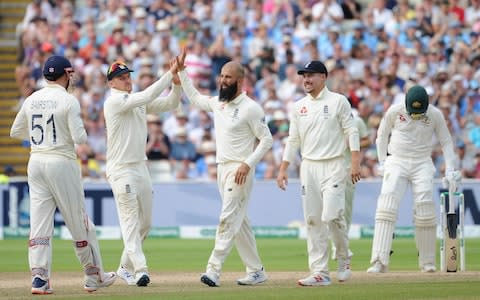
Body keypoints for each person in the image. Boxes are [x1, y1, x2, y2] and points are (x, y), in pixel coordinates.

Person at [10, 55, 116, 294]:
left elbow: (16, 131)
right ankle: (93, 275)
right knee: (79, 221)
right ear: (64, 74)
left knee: (39, 222)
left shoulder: (32, 99)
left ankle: (39, 278)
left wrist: (44, 137)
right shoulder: (69, 100)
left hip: (36, 161)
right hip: (61, 162)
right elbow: (80, 138)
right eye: (70, 73)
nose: (72, 77)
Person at [174, 48, 273, 287]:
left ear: (240, 80)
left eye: (228, 77)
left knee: (227, 218)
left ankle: (213, 269)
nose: (222, 80)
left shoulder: (251, 108)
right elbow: (196, 99)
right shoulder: (219, 103)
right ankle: (256, 270)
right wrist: (183, 72)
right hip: (222, 169)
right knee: (239, 223)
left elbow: (267, 140)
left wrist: (247, 164)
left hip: (240, 171)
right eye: (221, 76)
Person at [276, 60, 361, 286]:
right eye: (304, 75)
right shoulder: (298, 106)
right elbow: (293, 139)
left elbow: (351, 130)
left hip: (334, 165)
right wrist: (283, 168)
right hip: (309, 167)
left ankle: (343, 258)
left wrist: (355, 162)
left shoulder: (338, 101)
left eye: (311, 75)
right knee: (313, 220)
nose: (306, 79)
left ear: (324, 77)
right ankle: (320, 272)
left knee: (332, 216)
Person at [367, 85, 461, 273]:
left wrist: (451, 168)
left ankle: (427, 262)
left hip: (422, 162)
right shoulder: (395, 110)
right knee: (386, 206)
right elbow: (382, 135)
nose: (416, 115)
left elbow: (446, 140)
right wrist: (383, 161)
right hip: (397, 160)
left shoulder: (434, 114)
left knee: (425, 209)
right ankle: (379, 260)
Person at [104, 60, 181, 286]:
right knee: (130, 221)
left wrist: (176, 84)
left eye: (128, 76)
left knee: (145, 223)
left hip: (140, 166)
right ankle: (140, 270)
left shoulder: (135, 101)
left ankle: (124, 268)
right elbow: (147, 95)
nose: (127, 80)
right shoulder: (114, 102)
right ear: (111, 82)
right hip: (121, 169)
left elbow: (170, 103)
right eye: (121, 77)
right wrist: (170, 73)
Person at [331, 113, 371, 260]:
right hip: (330, 168)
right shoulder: (328, 119)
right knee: (330, 209)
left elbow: (367, 140)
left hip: (348, 170)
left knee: (345, 209)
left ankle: (341, 246)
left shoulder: (357, 121)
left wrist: (354, 143)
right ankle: (336, 245)